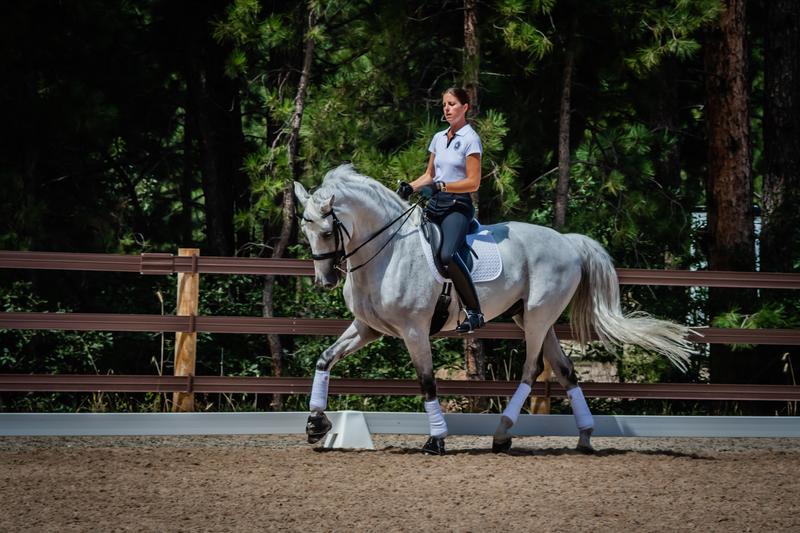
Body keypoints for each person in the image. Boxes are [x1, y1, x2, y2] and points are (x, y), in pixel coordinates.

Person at [397, 87, 484, 334]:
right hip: (435, 204)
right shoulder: (438, 137)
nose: (447, 108)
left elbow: (473, 182)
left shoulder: (470, 139)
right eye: (445, 104)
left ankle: (475, 311)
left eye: (452, 104)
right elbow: (429, 175)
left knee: (447, 255)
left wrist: (443, 186)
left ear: (465, 107)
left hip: (457, 206)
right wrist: (409, 187)